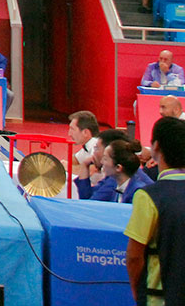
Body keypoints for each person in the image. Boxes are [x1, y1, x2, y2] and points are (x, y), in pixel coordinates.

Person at [125, 116, 185, 306]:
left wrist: (138, 291)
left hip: (160, 298)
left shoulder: (148, 197)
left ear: (156, 147)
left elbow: (134, 256)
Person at [77, 138, 153, 203]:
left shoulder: (136, 193)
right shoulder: (118, 186)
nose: (102, 162)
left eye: (105, 159)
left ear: (118, 167)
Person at [68, 110, 103, 187]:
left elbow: (91, 171)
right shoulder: (87, 146)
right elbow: (74, 160)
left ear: (85, 132)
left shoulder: (97, 145)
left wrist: (67, 167)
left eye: (72, 129)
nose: (69, 134)